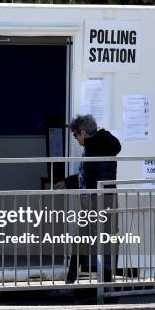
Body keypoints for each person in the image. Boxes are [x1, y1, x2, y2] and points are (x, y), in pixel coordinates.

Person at [55, 114, 121, 285]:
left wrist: (71, 182)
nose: (75, 139)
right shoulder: (99, 145)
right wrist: (68, 182)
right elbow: (87, 176)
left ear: (83, 132)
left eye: (75, 135)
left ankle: (102, 287)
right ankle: (79, 281)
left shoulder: (96, 147)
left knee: (100, 244)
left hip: (99, 204)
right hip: (99, 203)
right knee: (89, 242)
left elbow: (91, 177)